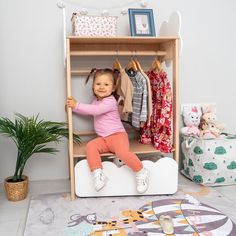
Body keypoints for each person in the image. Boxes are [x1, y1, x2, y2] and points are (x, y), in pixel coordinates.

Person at [66, 68, 149, 193]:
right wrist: (72, 108)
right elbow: (89, 110)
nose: (101, 87)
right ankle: (98, 174)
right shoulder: (95, 101)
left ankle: (141, 171)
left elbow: (95, 111)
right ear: (93, 86)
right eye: (98, 84)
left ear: (113, 88)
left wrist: (77, 105)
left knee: (122, 153)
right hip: (104, 139)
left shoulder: (110, 102)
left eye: (106, 84)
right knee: (91, 146)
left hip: (118, 136)